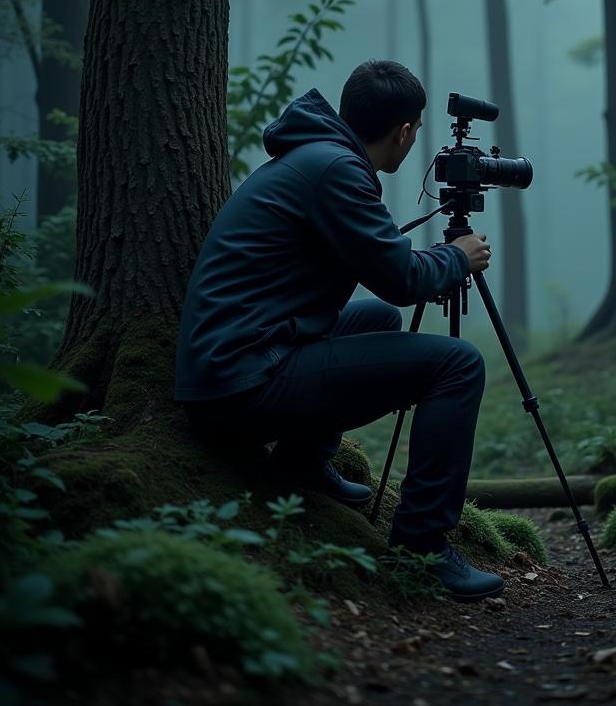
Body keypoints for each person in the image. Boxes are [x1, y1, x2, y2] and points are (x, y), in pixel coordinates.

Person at [174, 60, 504, 602]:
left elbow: (381, 281)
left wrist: (430, 264)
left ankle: (303, 462)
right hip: (242, 382)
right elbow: (400, 278)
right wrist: (456, 258)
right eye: (416, 130)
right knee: (458, 363)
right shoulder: (338, 171)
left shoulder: (316, 157)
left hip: (233, 360)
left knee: (376, 319)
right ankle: (421, 547)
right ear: (403, 131)